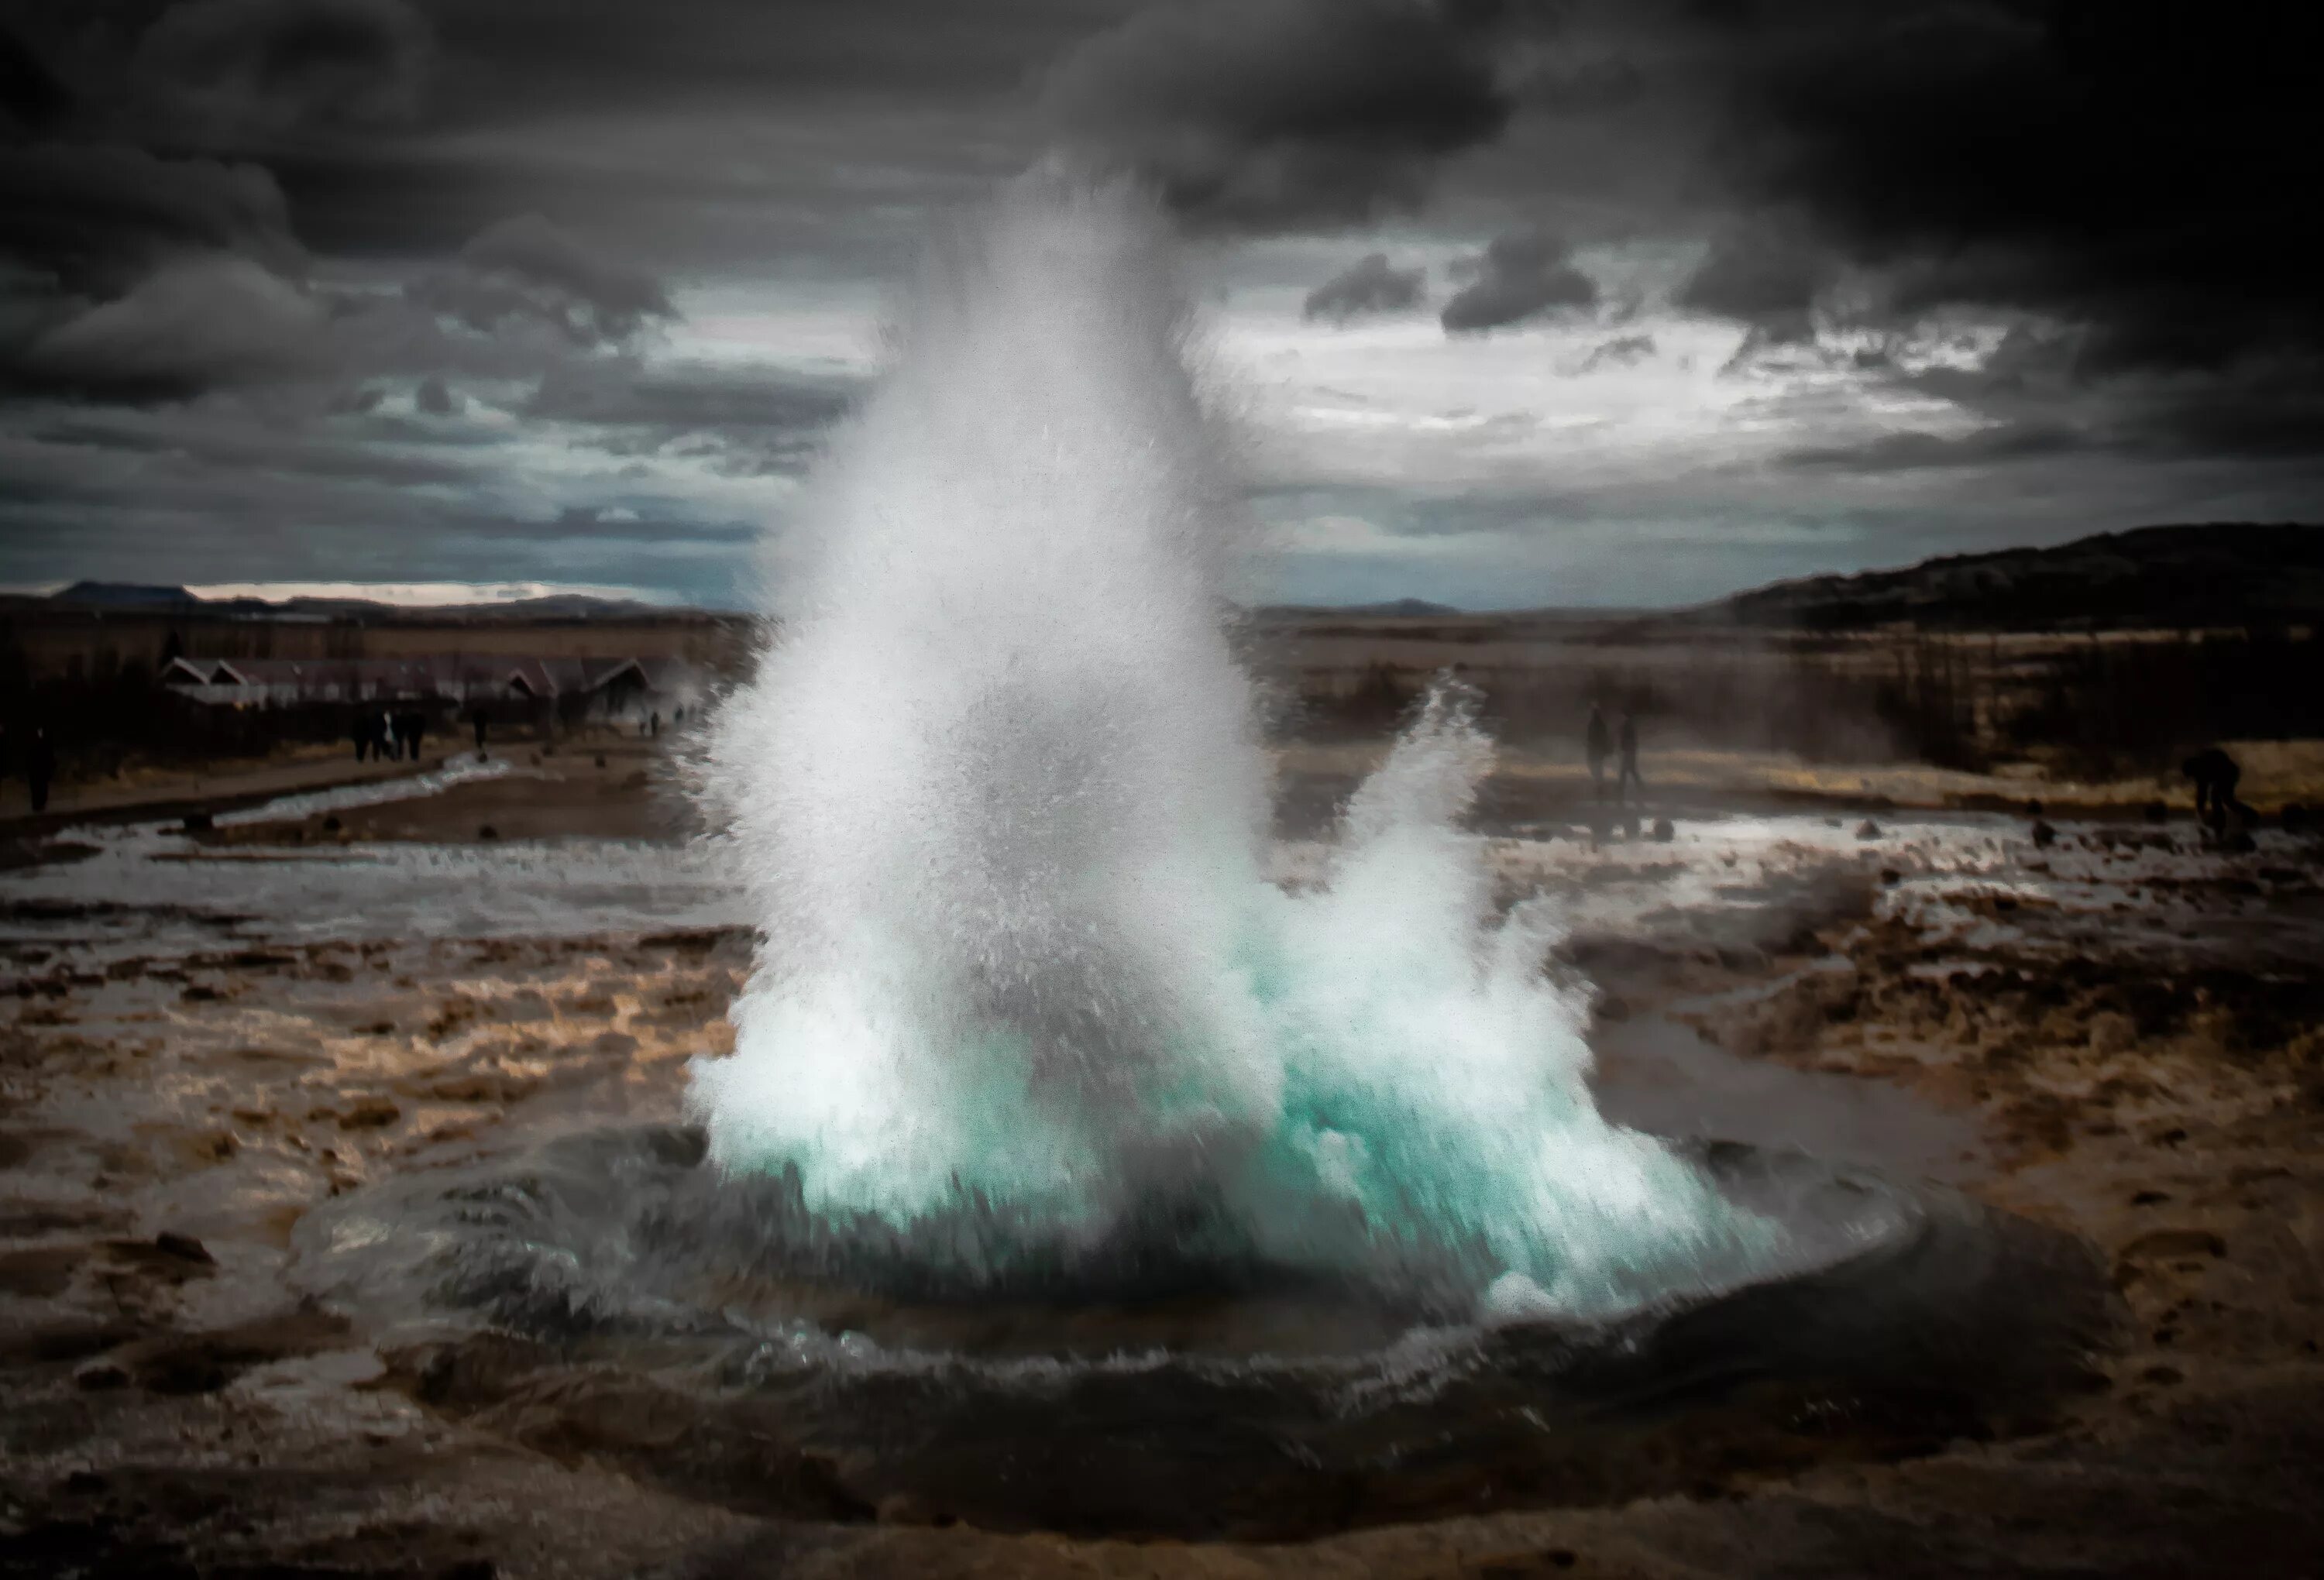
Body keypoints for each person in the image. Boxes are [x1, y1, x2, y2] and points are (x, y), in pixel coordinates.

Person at [2182, 746, 2250, 832]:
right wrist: (2200, 811)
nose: (2193, 778)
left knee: (2221, 798)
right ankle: (2243, 816)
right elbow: (2202, 794)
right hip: (2226, 774)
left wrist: (2200, 811)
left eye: (2191, 775)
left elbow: (2202, 793)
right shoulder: (2201, 767)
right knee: (2223, 799)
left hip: (2229, 773)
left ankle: (2245, 816)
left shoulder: (2202, 766)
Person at [1585, 703, 1611, 802]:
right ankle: (1600, 786)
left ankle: (1600, 787)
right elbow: (1604, 737)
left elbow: (1591, 738)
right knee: (1597, 768)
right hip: (1598, 750)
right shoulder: (1600, 724)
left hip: (1595, 750)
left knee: (1595, 767)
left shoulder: (1594, 724)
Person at [26, 726, 54, 814]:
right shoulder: (32, 736)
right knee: (36, 786)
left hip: (42, 764)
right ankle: (37, 805)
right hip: (35, 765)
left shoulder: (46, 736)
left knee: (42, 785)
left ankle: (41, 803)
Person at [1617, 709, 1643, 804]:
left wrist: (1625, 750)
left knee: (1626, 771)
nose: (1621, 718)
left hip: (1629, 752)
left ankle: (1620, 789)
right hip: (1630, 751)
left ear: (1625, 716)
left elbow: (1628, 740)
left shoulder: (1627, 726)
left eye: (1622, 716)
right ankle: (1639, 787)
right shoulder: (1628, 725)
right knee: (1631, 770)